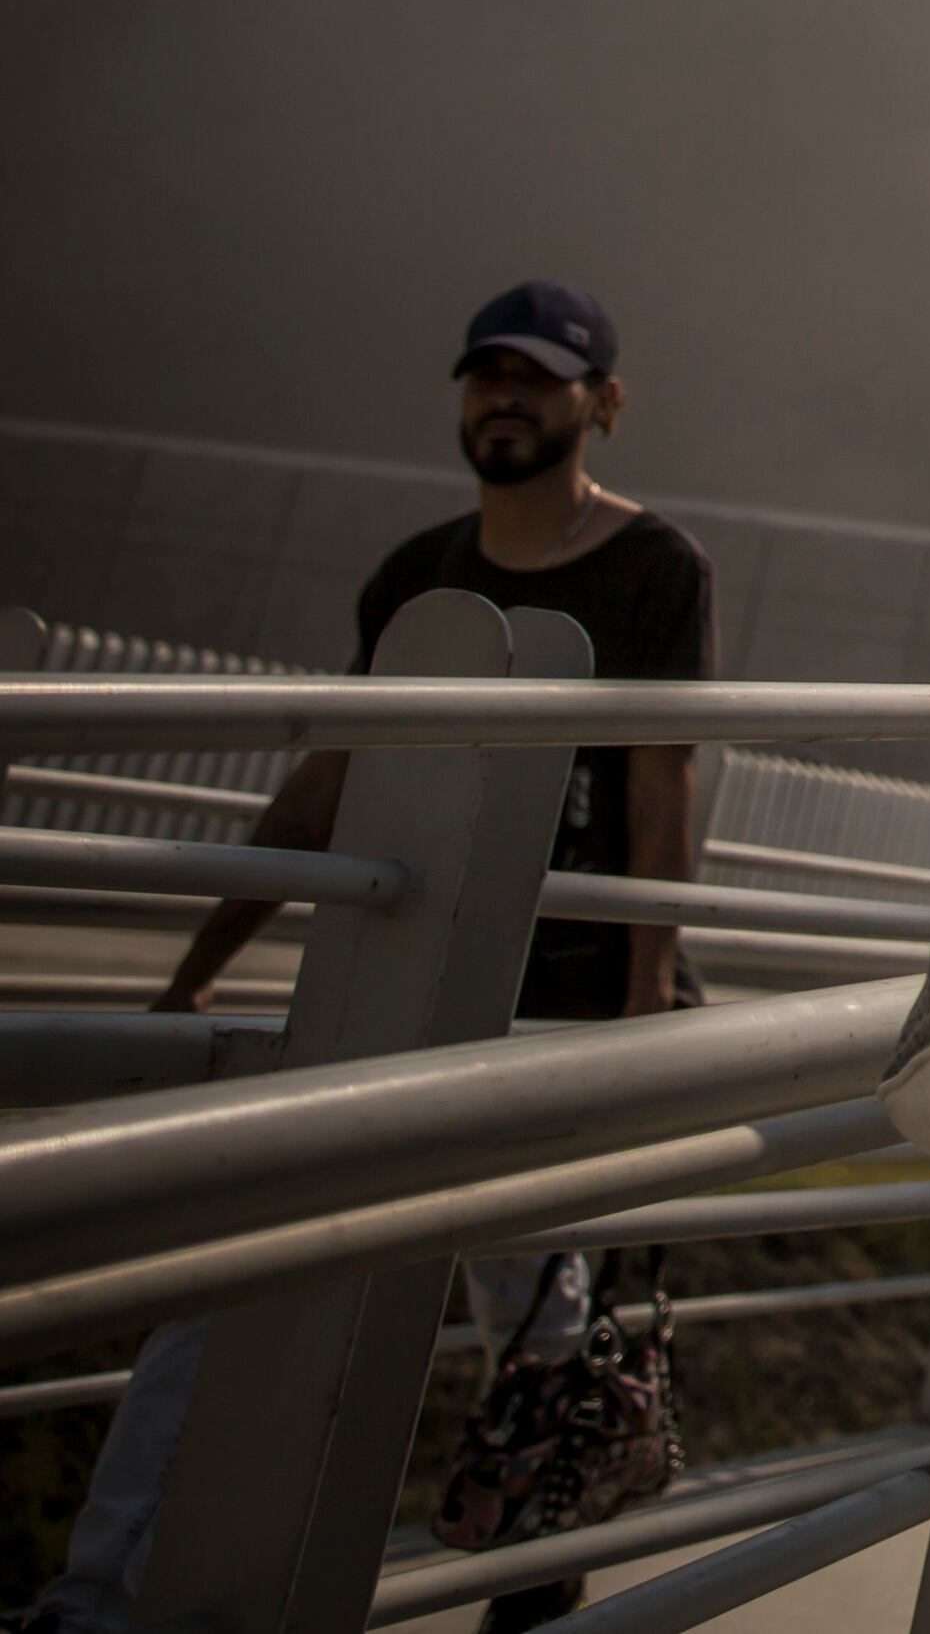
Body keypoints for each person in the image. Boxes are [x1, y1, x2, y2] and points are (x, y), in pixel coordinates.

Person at [144, 276, 712, 1633]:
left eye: (538, 375)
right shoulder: (419, 571)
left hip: (558, 1003)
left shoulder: (652, 568)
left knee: (535, 1314)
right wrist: (198, 962)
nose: (504, 396)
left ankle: (532, 1580)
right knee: (222, 1283)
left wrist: (641, 1008)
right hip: (392, 988)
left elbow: (656, 780)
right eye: (483, 374)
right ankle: (117, 1597)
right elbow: (333, 778)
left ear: (603, 402)